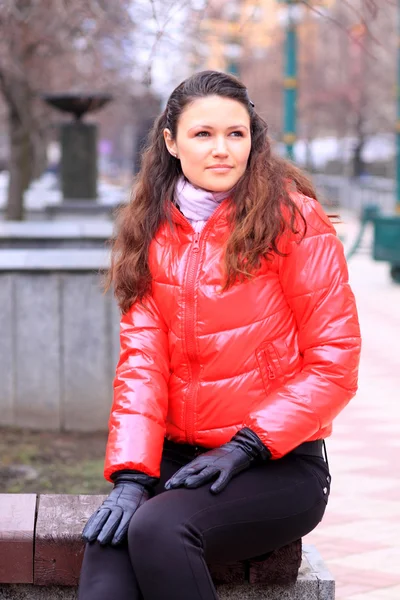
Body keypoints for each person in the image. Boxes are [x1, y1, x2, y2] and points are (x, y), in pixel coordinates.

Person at [78, 70, 361, 600]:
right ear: (171, 141)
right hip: (179, 458)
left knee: (159, 528)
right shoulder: (152, 229)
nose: (222, 150)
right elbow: (143, 363)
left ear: (254, 139)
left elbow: (335, 361)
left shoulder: (294, 220)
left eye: (236, 133)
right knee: (108, 544)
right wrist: (133, 476)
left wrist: (247, 444)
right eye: (203, 134)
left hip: (276, 462)